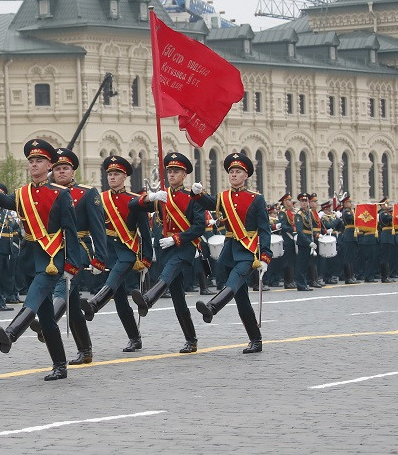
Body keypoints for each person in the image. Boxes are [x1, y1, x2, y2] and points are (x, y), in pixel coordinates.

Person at [0, 139, 85, 381]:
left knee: (36, 295)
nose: (34, 164)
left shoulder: (60, 195)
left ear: (49, 165)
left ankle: (11, 332)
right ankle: (60, 365)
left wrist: (72, 264)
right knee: (48, 317)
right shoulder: (22, 193)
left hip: (52, 258)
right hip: (31, 257)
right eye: (31, 161)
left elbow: (70, 230)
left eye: (39, 160)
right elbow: (7, 202)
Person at [29, 146, 107, 365]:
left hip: (78, 250)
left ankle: (48, 321)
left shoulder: (87, 193)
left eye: (65, 168)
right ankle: (85, 349)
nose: (61, 172)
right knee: (72, 302)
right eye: (57, 168)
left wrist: (99, 258)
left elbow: (98, 228)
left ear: (73, 171)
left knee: (62, 289)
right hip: (51, 250)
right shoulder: (47, 192)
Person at [194, 152, 272, 353]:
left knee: (235, 280)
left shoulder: (256, 199)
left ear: (245, 176)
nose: (234, 175)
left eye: (238, 172)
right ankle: (256, 339)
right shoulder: (224, 197)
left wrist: (265, 256)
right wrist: (197, 194)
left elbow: (265, 229)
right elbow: (210, 203)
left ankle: (212, 307)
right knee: (241, 299)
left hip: (247, 251)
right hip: (230, 250)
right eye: (231, 172)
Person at [130, 151, 206, 353]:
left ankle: (148, 298)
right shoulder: (162, 196)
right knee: (178, 297)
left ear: (184, 175)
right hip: (165, 247)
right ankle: (191, 339)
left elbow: (199, 226)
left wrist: (177, 238)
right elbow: (133, 206)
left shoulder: (193, 197)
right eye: (169, 171)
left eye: (176, 171)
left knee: (169, 272)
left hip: (184, 247)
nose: (171, 175)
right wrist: (151, 196)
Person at [80, 155, 151, 353]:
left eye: (116, 174)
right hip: (109, 251)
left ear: (125, 176)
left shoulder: (135, 201)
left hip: (127, 251)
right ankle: (134, 338)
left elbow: (145, 232)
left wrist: (146, 258)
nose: (112, 177)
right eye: (110, 174)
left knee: (112, 280)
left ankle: (94, 304)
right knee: (120, 301)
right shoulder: (100, 199)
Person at [294, 192, 317, 291]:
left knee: (306, 264)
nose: (304, 203)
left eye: (306, 201)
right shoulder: (299, 215)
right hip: (303, 242)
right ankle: (301, 284)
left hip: (309, 240)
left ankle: (304, 283)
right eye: (302, 201)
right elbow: (300, 231)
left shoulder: (308, 213)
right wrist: (309, 242)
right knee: (301, 264)